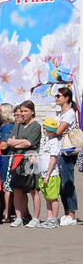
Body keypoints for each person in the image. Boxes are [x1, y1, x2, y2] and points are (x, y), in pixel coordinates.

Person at [5, 101, 42, 227]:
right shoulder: (18, 125)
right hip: (17, 159)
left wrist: (18, 142)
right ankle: (19, 217)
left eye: (25, 111)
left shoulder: (36, 126)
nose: (22, 114)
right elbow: (9, 141)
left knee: (33, 190)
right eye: (21, 111)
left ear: (32, 111)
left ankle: (36, 218)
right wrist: (19, 142)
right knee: (17, 189)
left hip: (30, 160)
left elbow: (29, 143)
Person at [52, 86, 78, 225]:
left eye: (58, 96)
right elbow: (52, 130)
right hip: (58, 150)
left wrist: (53, 130)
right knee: (60, 183)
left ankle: (72, 214)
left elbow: (58, 130)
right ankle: (67, 212)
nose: (56, 98)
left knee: (67, 182)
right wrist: (54, 130)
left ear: (66, 98)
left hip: (67, 151)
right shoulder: (59, 113)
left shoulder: (70, 113)